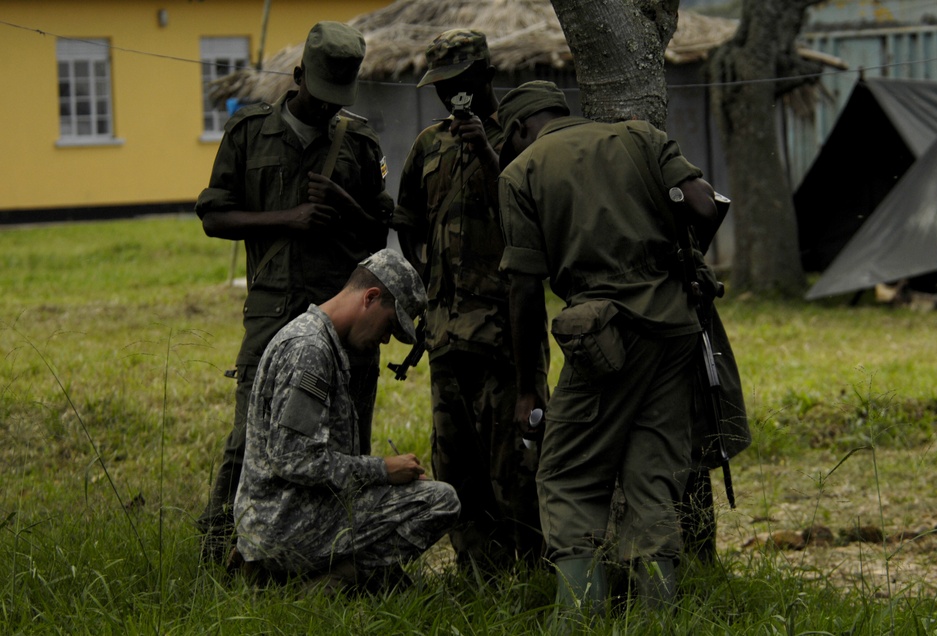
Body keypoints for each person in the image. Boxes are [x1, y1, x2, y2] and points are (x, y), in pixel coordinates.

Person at [495, 81, 724, 618]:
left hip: (604, 339)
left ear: (515, 130)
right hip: (675, 331)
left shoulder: (520, 172)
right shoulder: (641, 136)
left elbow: (524, 290)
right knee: (651, 475)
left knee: (566, 476)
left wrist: (528, 386)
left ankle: (579, 617)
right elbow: (706, 207)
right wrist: (685, 262)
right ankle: (656, 617)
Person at [194, 21, 393, 564]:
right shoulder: (249, 133)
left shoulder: (359, 143)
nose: (329, 108)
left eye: (338, 99)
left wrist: (342, 205)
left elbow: (378, 234)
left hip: (342, 321)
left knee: (346, 437)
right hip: (272, 313)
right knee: (248, 438)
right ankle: (220, 548)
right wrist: (289, 217)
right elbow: (213, 216)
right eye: (320, 94)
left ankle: (339, 552)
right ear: (299, 74)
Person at [391, 30, 548, 570]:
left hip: (506, 338)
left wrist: (485, 148)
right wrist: (424, 268)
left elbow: (527, 214)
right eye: (440, 87)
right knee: (456, 467)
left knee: (516, 468)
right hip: (445, 336)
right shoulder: (428, 144)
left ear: (484, 78)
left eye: (458, 85)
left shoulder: (521, 137)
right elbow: (406, 219)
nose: (449, 97)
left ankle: (532, 572)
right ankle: (476, 574)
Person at [233, 248, 460, 591]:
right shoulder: (309, 349)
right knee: (440, 501)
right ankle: (323, 584)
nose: (385, 339)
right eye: (388, 325)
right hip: (284, 526)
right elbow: (293, 459)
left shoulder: (318, 339)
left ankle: (339, 577)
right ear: (370, 297)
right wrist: (382, 470)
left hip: (282, 518)